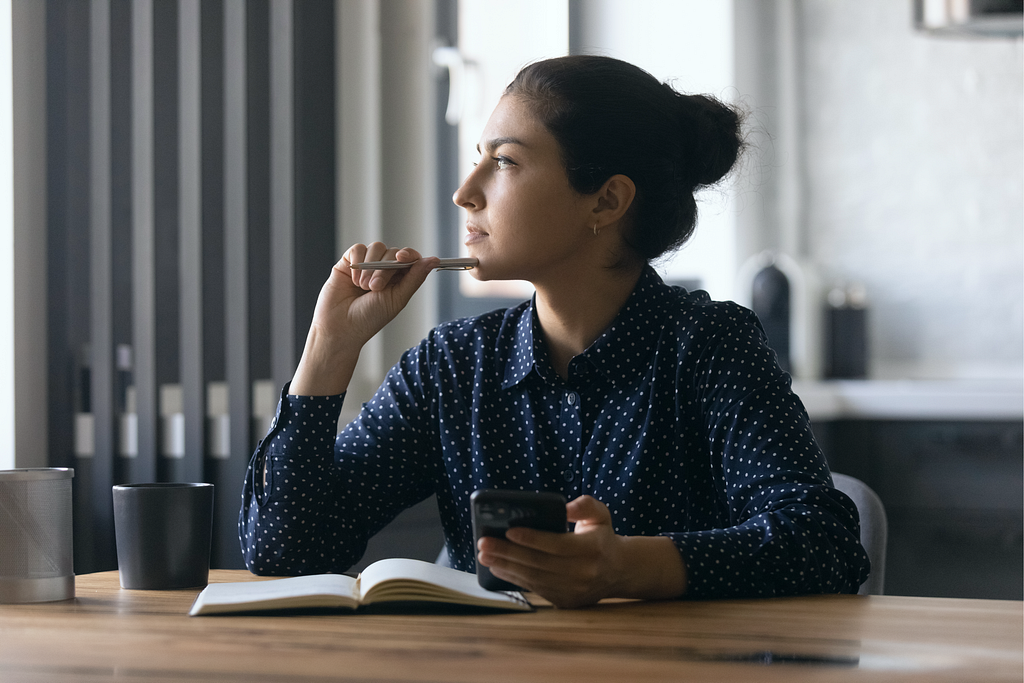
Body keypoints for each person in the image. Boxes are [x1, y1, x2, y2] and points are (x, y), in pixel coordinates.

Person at [238, 55, 870, 608]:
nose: (465, 193)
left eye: (505, 161)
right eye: (476, 158)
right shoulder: (454, 365)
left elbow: (824, 544)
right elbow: (283, 551)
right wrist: (330, 345)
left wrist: (627, 566)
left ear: (605, 202)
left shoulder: (708, 347)